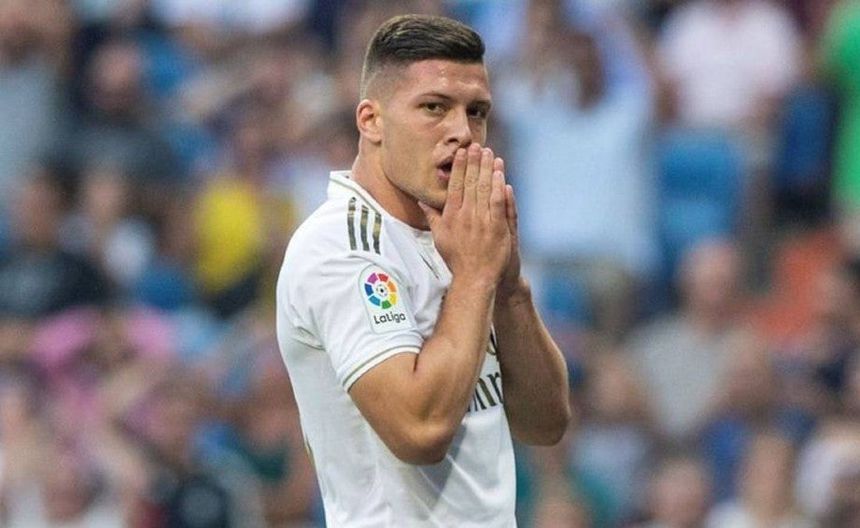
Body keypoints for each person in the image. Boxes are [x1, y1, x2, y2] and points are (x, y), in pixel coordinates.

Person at [275, 13, 570, 527]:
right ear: (371, 120)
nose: (462, 133)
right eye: (434, 107)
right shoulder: (339, 249)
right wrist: (475, 276)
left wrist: (509, 288)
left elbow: (545, 424)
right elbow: (420, 432)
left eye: (476, 112)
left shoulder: (463, 234)